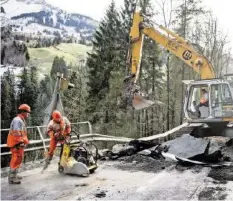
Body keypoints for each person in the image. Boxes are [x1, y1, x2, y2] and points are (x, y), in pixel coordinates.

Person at [7, 104, 31, 184]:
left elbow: (21, 133)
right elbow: (16, 134)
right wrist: (20, 142)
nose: (28, 114)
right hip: (16, 144)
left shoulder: (21, 119)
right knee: (15, 159)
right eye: (27, 112)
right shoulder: (18, 120)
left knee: (18, 159)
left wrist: (23, 142)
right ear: (23, 112)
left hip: (18, 144)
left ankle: (14, 175)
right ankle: (12, 178)